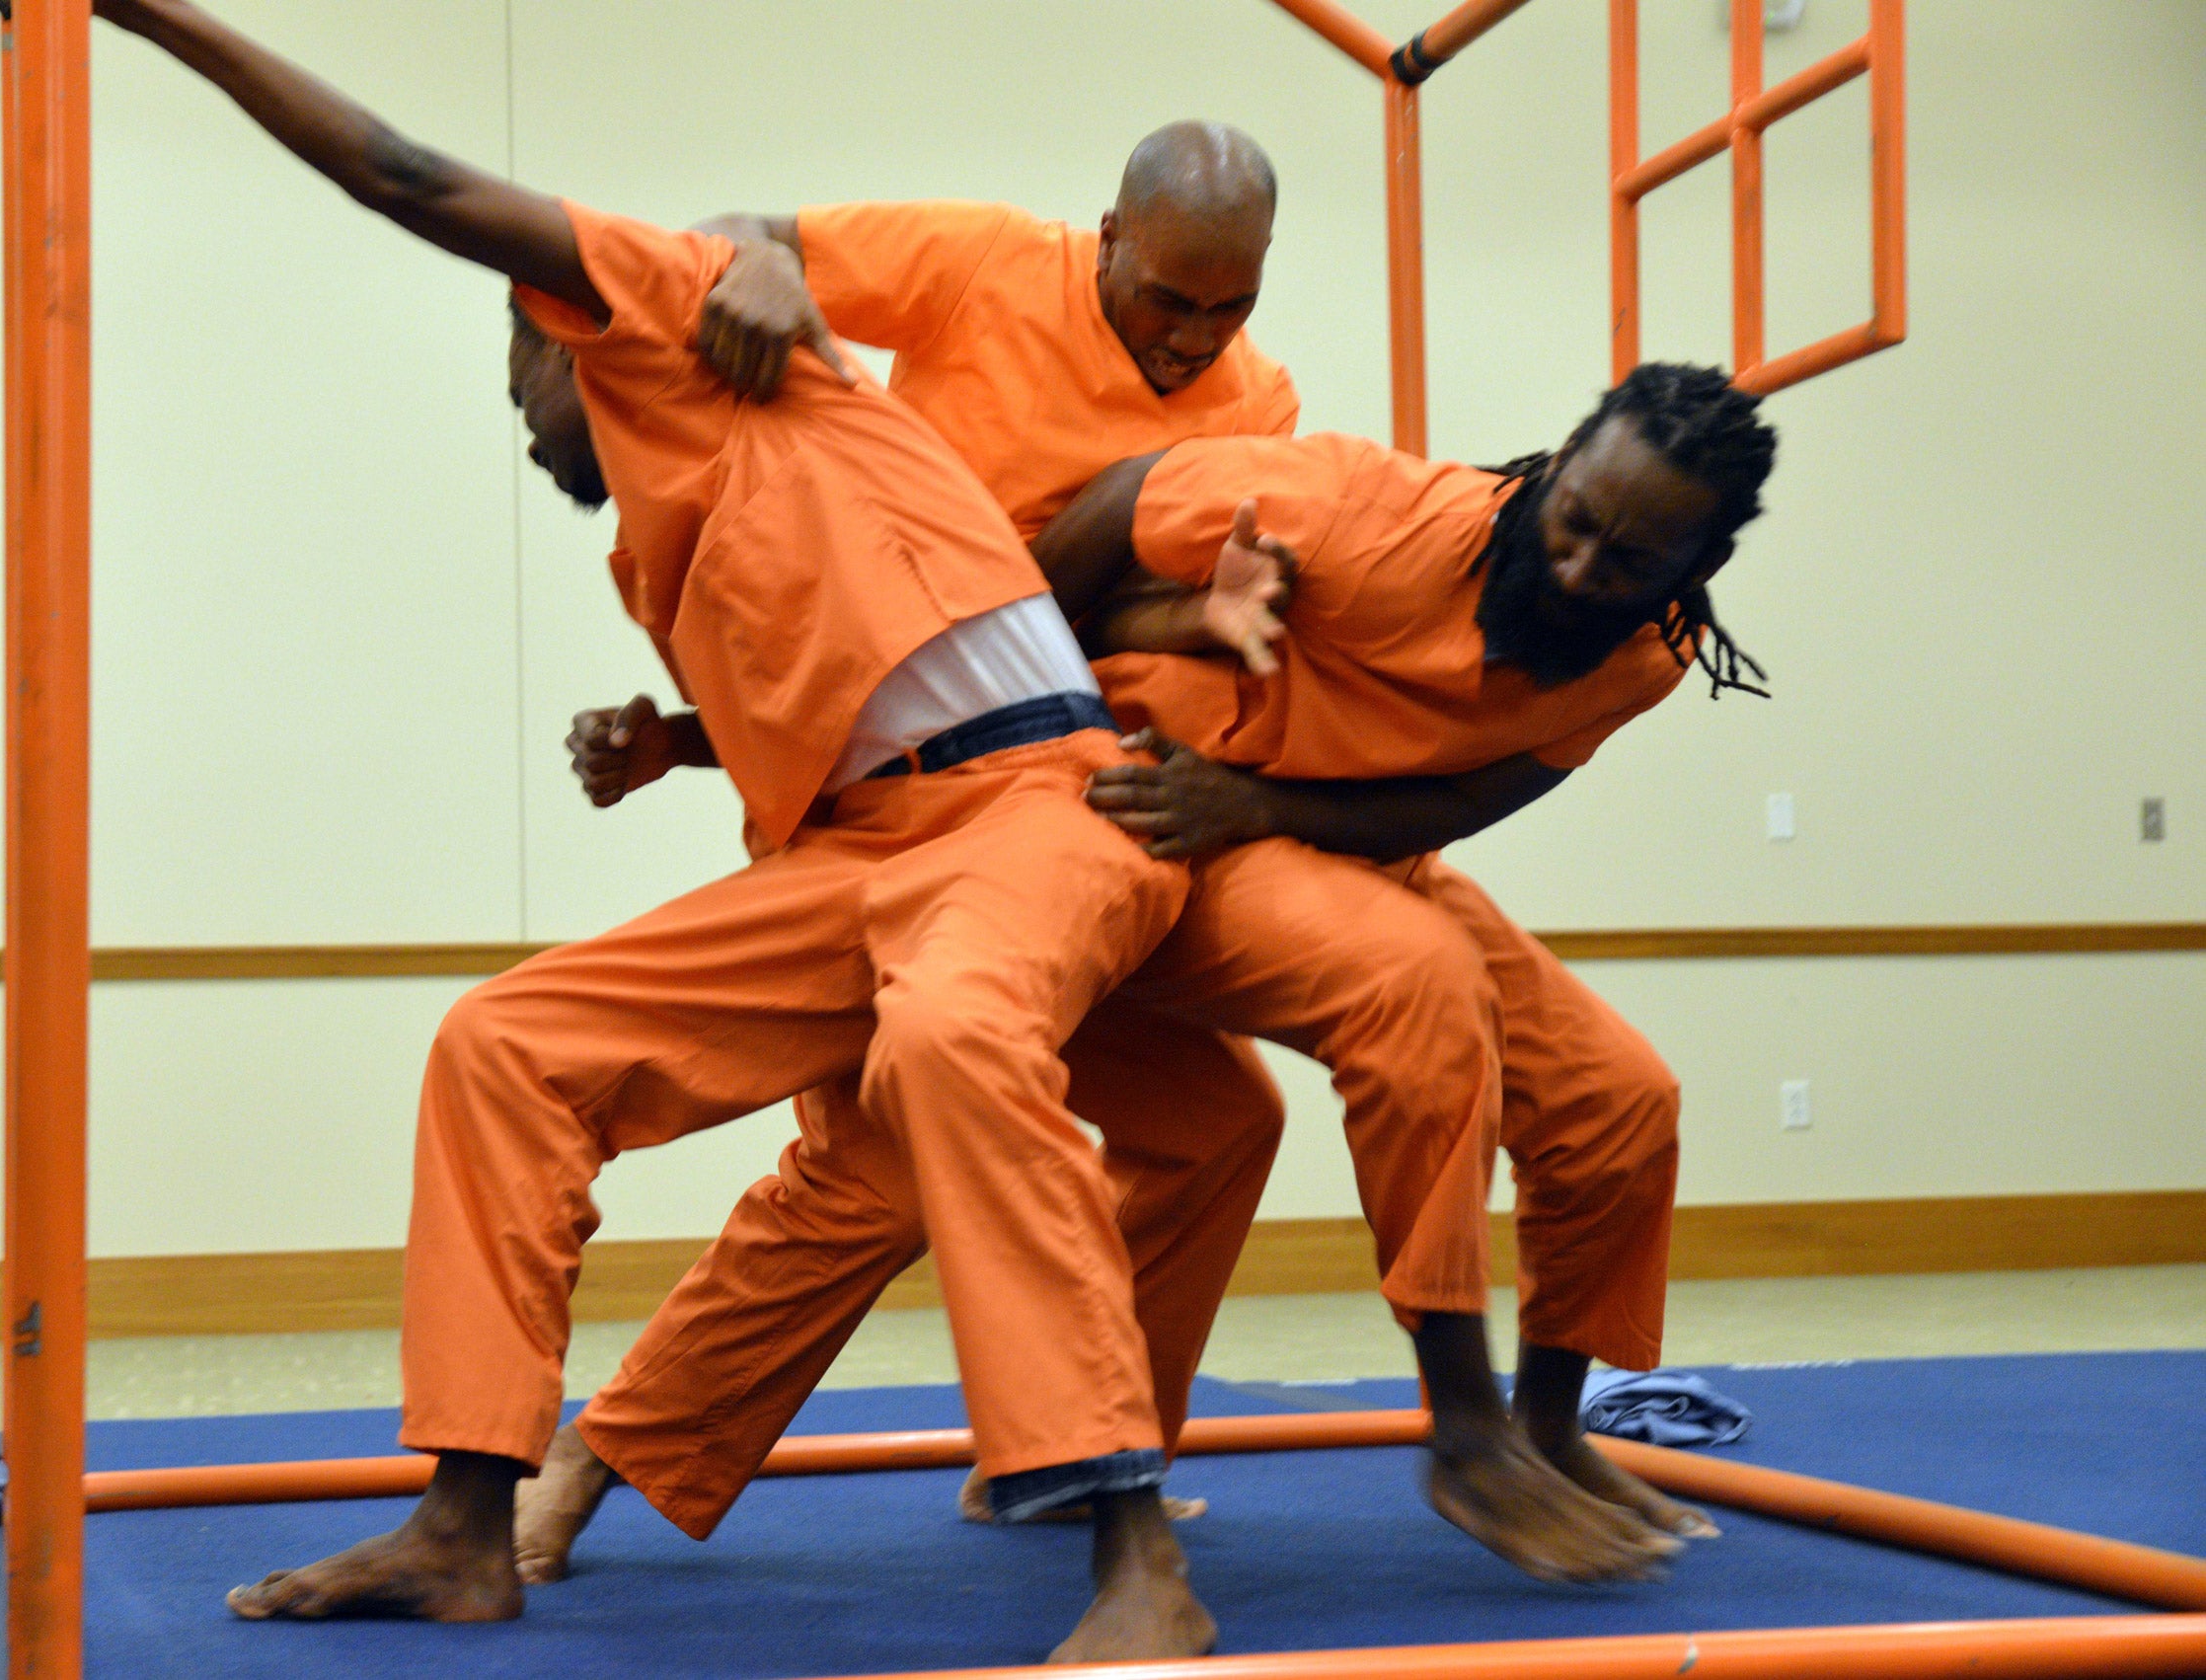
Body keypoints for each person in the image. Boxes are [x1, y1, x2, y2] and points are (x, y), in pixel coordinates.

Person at [87, 0, 1302, 1657]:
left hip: (1043, 803)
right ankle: (465, 1520)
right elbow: (836, 663)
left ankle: (1137, 1558)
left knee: (966, 1047)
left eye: (525, 364)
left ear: (579, 335)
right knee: (505, 1044)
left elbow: (403, 173)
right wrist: (670, 736)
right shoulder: (655, 545)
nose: (519, 411)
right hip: (860, 853)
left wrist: (152, 20)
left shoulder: (690, 325)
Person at [531, 364, 1774, 1586]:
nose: (1580, 570)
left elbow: (1466, 794)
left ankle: (1542, 1429)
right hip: (1148, 806)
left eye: (1627, 561)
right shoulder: (1357, 509)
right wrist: (1089, 674)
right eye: (1574, 524)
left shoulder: (1649, 655)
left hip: (1310, 828)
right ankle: (1461, 1433)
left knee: (1610, 1098)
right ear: (1552, 469)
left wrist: (1254, 797)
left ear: (1690, 574)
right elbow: (1118, 503)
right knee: (892, 1158)